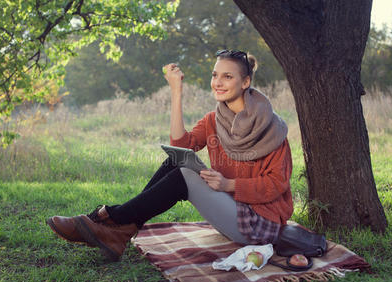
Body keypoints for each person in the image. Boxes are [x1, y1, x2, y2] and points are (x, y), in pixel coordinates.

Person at [46, 49, 293, 262]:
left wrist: (229, 184)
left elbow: (276, 184)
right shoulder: (214, 120)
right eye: (215, 75)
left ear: (246, 82)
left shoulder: (271, 128)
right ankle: (117, 230)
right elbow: (181, 143)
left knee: (184, 176)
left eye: (227, 76)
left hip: (260, 226)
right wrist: (176, 91)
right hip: (230, 210)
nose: (217, 82)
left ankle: (112, 221)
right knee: (177, 159)